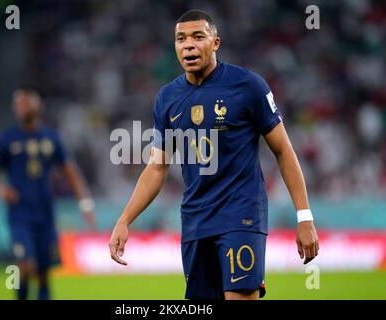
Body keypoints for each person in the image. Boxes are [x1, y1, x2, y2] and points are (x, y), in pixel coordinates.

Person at [109, 9, 319, 300]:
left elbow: (283, 151)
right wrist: (125, 219)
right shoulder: (167, 98)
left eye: (198, 36)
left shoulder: (248, 86)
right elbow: (156, 168)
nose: (188, 45)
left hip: (241, 216)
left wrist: (304, 216)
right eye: (180, 39)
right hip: (195, 221)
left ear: (215, 43)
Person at [0, 86, 96, 300]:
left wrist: (85, 204)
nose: (20, 107)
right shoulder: (6, 139)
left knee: (44, 271)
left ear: (38, 106)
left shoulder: (51, 138)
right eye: (17, 104)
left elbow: (71, 171)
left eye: (25, 103)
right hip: (19, 214)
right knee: (25, 265)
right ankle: (18, 293)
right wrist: (1, 189)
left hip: (44, 213)